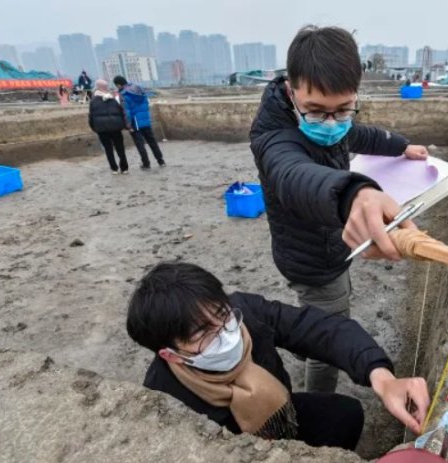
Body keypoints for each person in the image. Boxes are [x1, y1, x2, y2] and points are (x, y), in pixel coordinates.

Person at [249, 25, 429, 394]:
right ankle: (320, 401)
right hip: (311, 260)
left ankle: (309, 328)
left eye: (343, 109)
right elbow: (293, 174)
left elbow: (360, 134)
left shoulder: (336, 123)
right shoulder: (273, 138)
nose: (331, 123)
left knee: (326, 309)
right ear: (291, 90)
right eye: (315, 111)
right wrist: (352, 194)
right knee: (327, 343)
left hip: (333, 249)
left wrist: (401, 146)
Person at [126, 262, 430, 451]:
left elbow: (319, 329)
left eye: (222, 314)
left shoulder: (247, 314)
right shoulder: (163, 395)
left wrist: (381, 375)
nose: (225, 334)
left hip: (280, 411)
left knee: (346, 414)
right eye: (202, 334)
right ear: (171, 354)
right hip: (230, 446)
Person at [113, 75, 166, 170]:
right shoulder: (139, 89)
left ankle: (146, 163)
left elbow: (127, 112)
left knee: (140, 144)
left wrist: (128, 126)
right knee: (152, 141)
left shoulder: (124, 95)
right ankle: (161, 161)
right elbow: (146, 104)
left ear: (118, 85)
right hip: (145, 120)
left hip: (136, 122)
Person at [88, 79, 129, 175]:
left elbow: (91, 116)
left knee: (108, 149)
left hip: (102, 129)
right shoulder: (113, 98)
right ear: (105, 87)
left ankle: (114, 169)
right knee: (120, 148)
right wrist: (122, 124)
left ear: (97, 87)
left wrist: (94, 127)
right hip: (116, 127)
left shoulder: (93, 101)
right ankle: (124, 168)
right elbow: (121, 111)